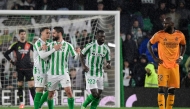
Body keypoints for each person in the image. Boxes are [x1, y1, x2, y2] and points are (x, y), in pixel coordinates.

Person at [147, 17, 186, 109]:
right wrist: (154, 57)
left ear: (172, 24)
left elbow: (184, 45)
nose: (164, 25)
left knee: (172, 89)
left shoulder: (180, 35)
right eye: (163, 24)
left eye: (166, 24)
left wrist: (181, 57)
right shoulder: (159, 34)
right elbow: (149, 44)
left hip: (174, 66)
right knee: (161, 88)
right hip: (163, 66)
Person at [45, 26, 80, 109]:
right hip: (51, 73)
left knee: (69, 92)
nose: (52, 35)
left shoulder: (68, 45)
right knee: (50, 94)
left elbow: (75, 57)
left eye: (54, 33)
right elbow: (44, 56)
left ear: (59, 33)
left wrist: (78, 53)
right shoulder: (50, 45)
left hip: (63, 73)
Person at [3, 29, 35, 109]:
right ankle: (21, 103)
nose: (23, 35)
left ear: (26, 35)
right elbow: (6, 54)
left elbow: (38, 53)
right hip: (19, 68)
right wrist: (11, 61)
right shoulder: (15, 44)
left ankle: (36, 103)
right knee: (20, 85)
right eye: (21, 34)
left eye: (24, 34)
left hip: (28, 68)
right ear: (19, 35)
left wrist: (35, 62)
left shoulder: (29, 44)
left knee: (31, 85)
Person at [80, 30, 111, 109]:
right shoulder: (90, 45)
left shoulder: (106, 49)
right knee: (94, 94)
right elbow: (81, 54)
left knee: (98, 95)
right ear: (97, 37)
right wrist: (83, 66)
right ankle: (83, 105)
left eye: (104, 36)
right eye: (101, 36)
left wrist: (108, 64)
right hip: (90, 73)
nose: (103, 38)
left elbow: (108, 60)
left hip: (100, 73)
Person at [33, 27, 61, 109]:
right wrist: (53, 49)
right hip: (39, 70)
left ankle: (39, 106)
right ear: (41, 33)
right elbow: (42, 56)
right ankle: (37, 107)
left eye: (50, 33)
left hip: (49, 70)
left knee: (51, 91)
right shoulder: (38, 43)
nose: (49, 34)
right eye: (47, 32)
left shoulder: (50, 43)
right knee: (40, 90)